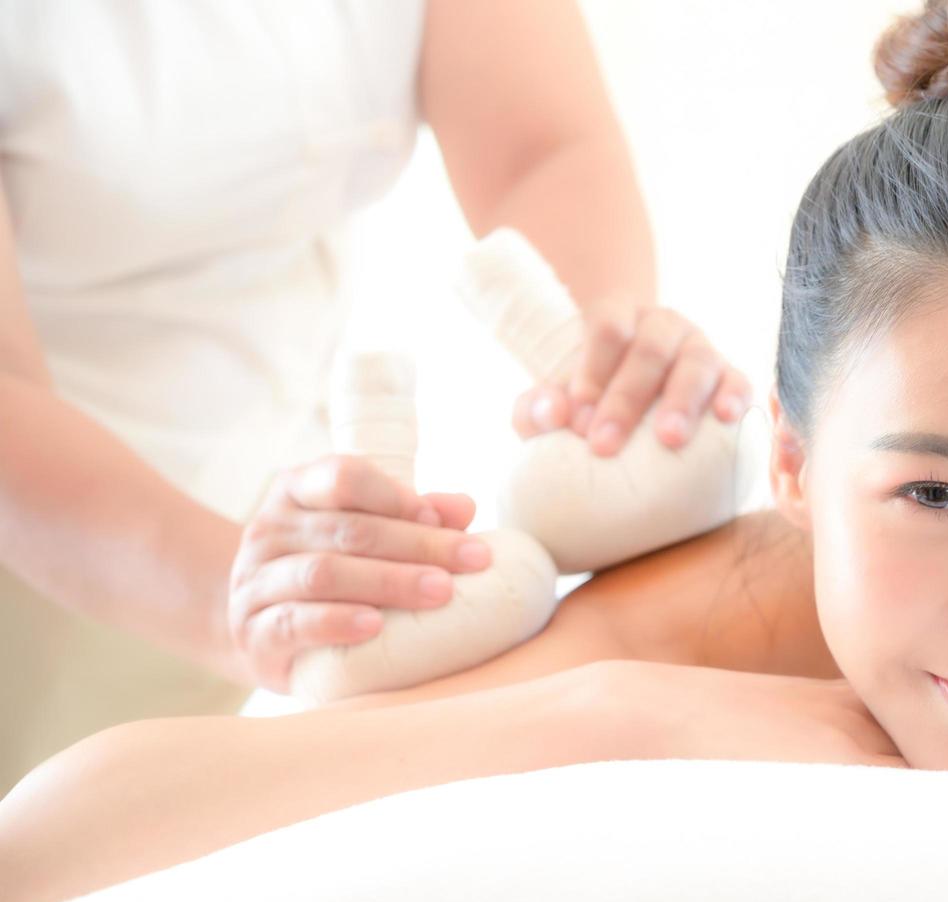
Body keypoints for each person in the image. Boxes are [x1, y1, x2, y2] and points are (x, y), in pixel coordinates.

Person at [4, 0, 948, 902]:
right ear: (789, 465)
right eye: (931, 494)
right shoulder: (708, 616)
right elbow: (56, 837)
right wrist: (615, 714)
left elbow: (539, 148)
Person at [0, 0, 751, 793]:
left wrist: (599, 348)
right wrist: (236, 598)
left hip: (268, 506)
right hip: (54, 533)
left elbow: (541, 150)